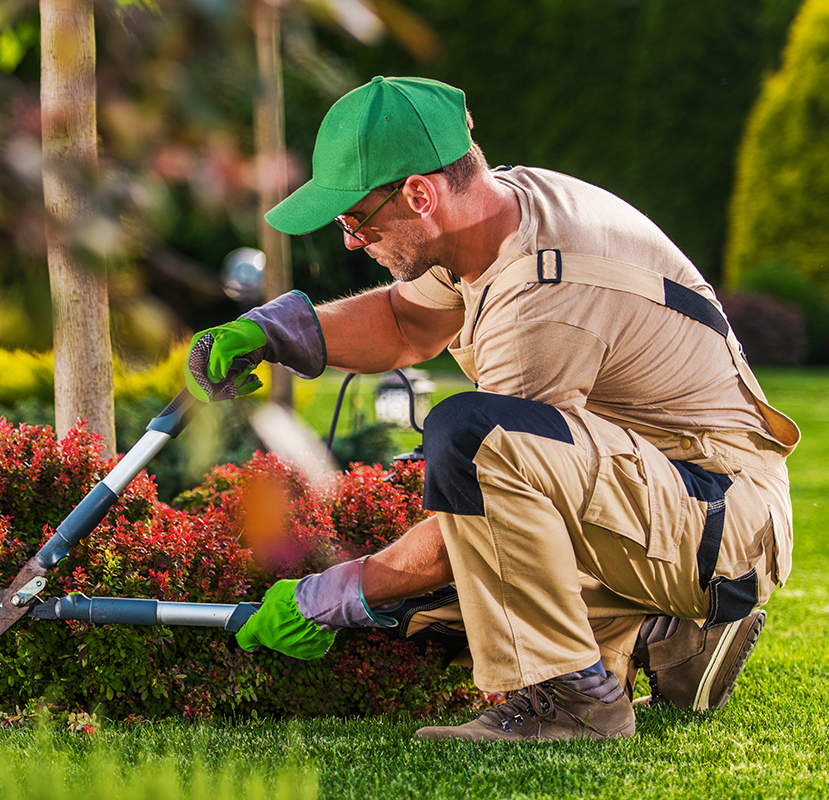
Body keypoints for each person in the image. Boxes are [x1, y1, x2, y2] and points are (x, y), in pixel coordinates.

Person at [184, 76, 799, 742]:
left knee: (467, 448)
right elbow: (405, 322)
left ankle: (575, 701)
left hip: (720, 519)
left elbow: (477, 506)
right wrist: (279, 333)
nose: (351, 243)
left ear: (419, 193)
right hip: (672, 492)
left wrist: (330, 597)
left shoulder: (544, 295)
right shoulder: (495, 212)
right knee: (442, 605)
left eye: (356, 220)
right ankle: (668, 635)